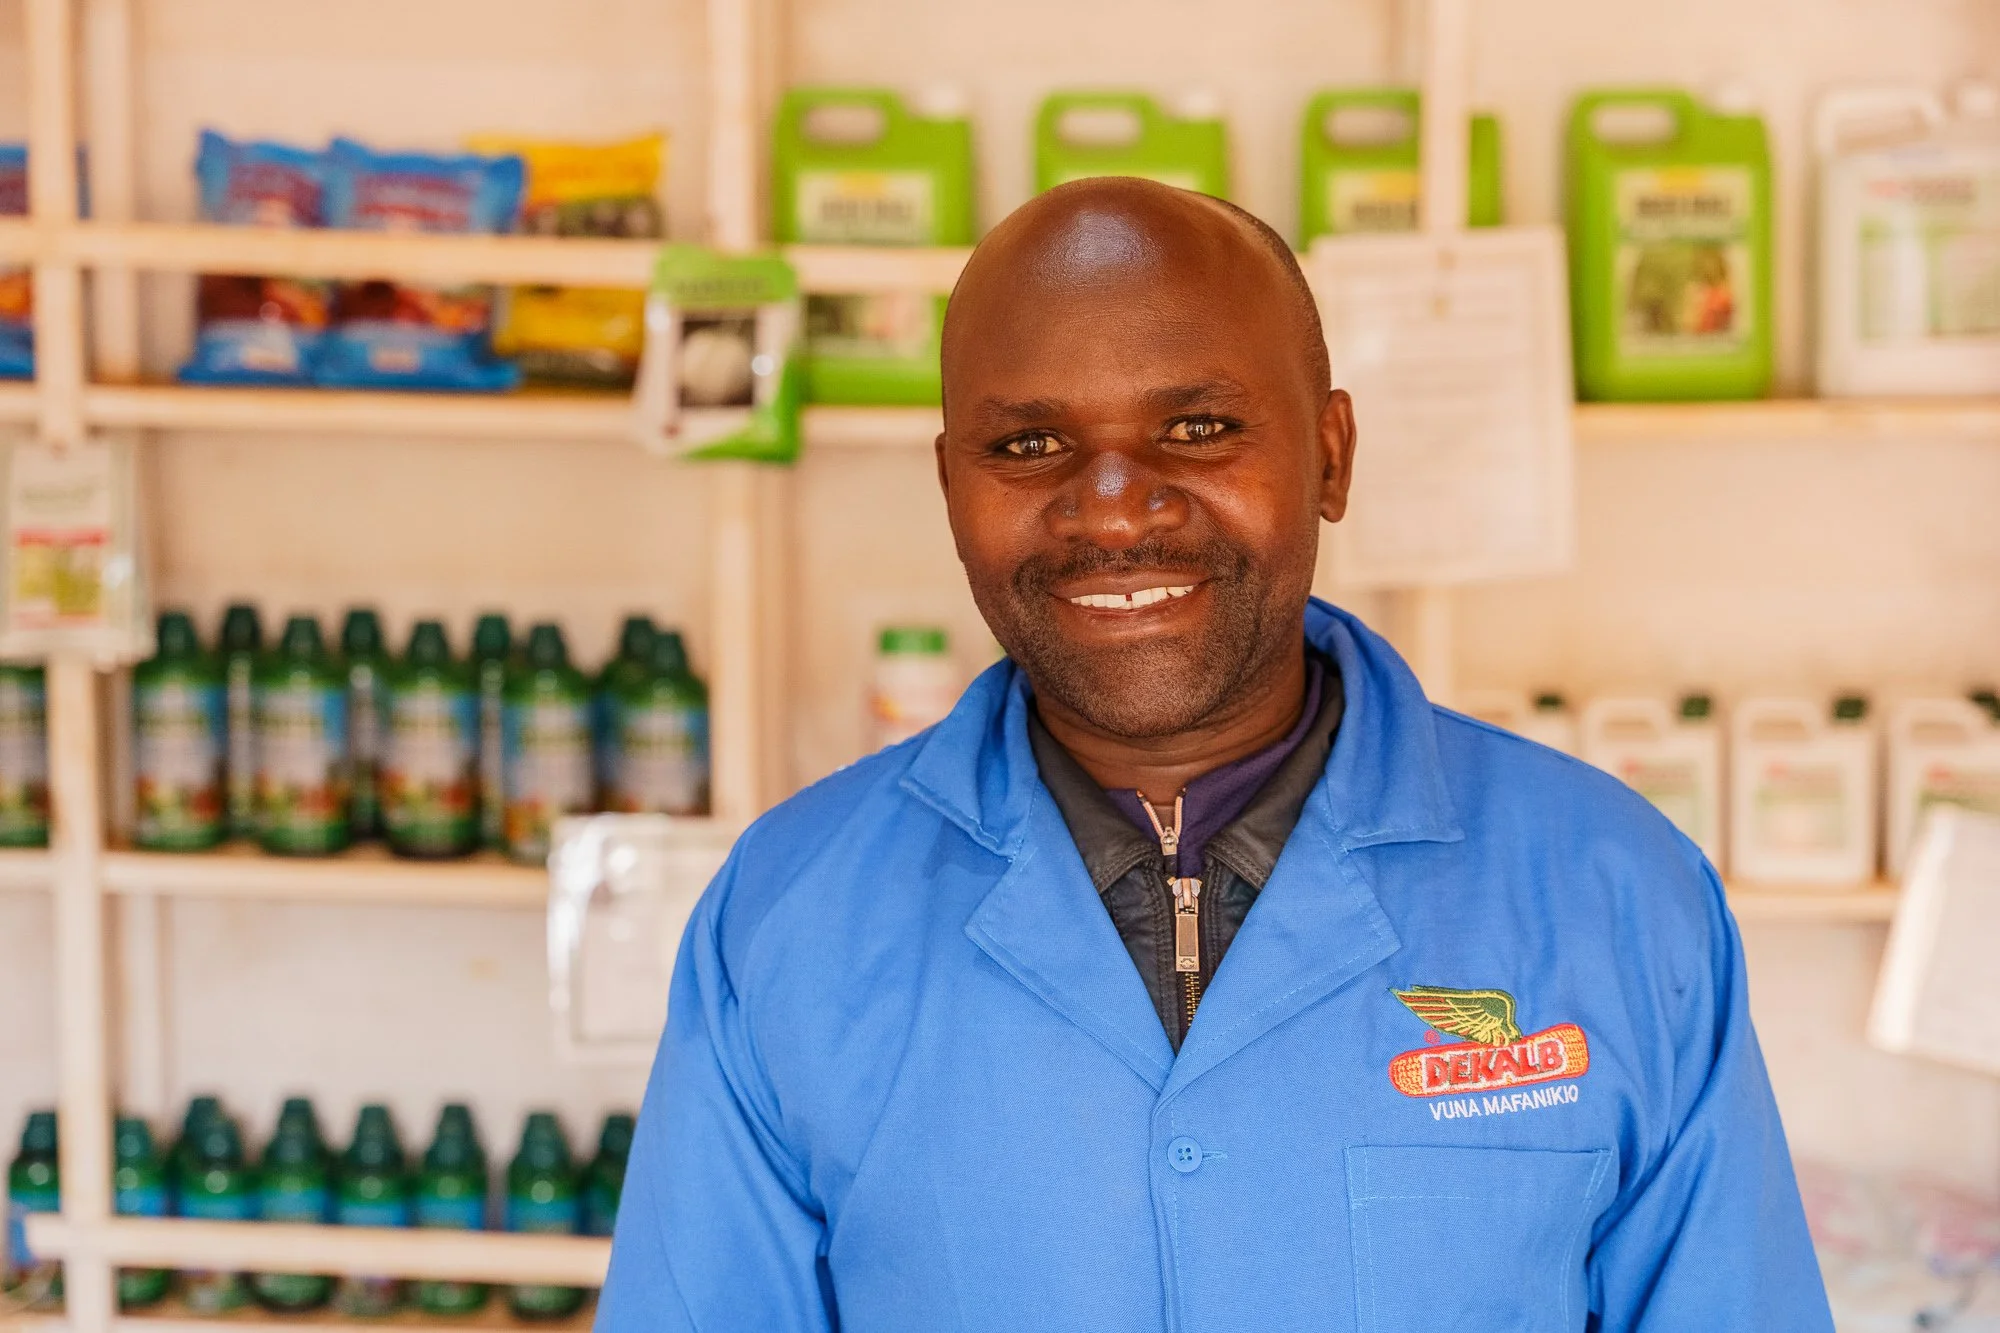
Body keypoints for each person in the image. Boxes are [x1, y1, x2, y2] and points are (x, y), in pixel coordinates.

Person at [597, 177, 1832, 1331]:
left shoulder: (1613, 895)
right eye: (1029, 446)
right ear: (948, 485)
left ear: (1330, 456)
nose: (1116, 505)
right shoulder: (791, 916)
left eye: (1195, 426)